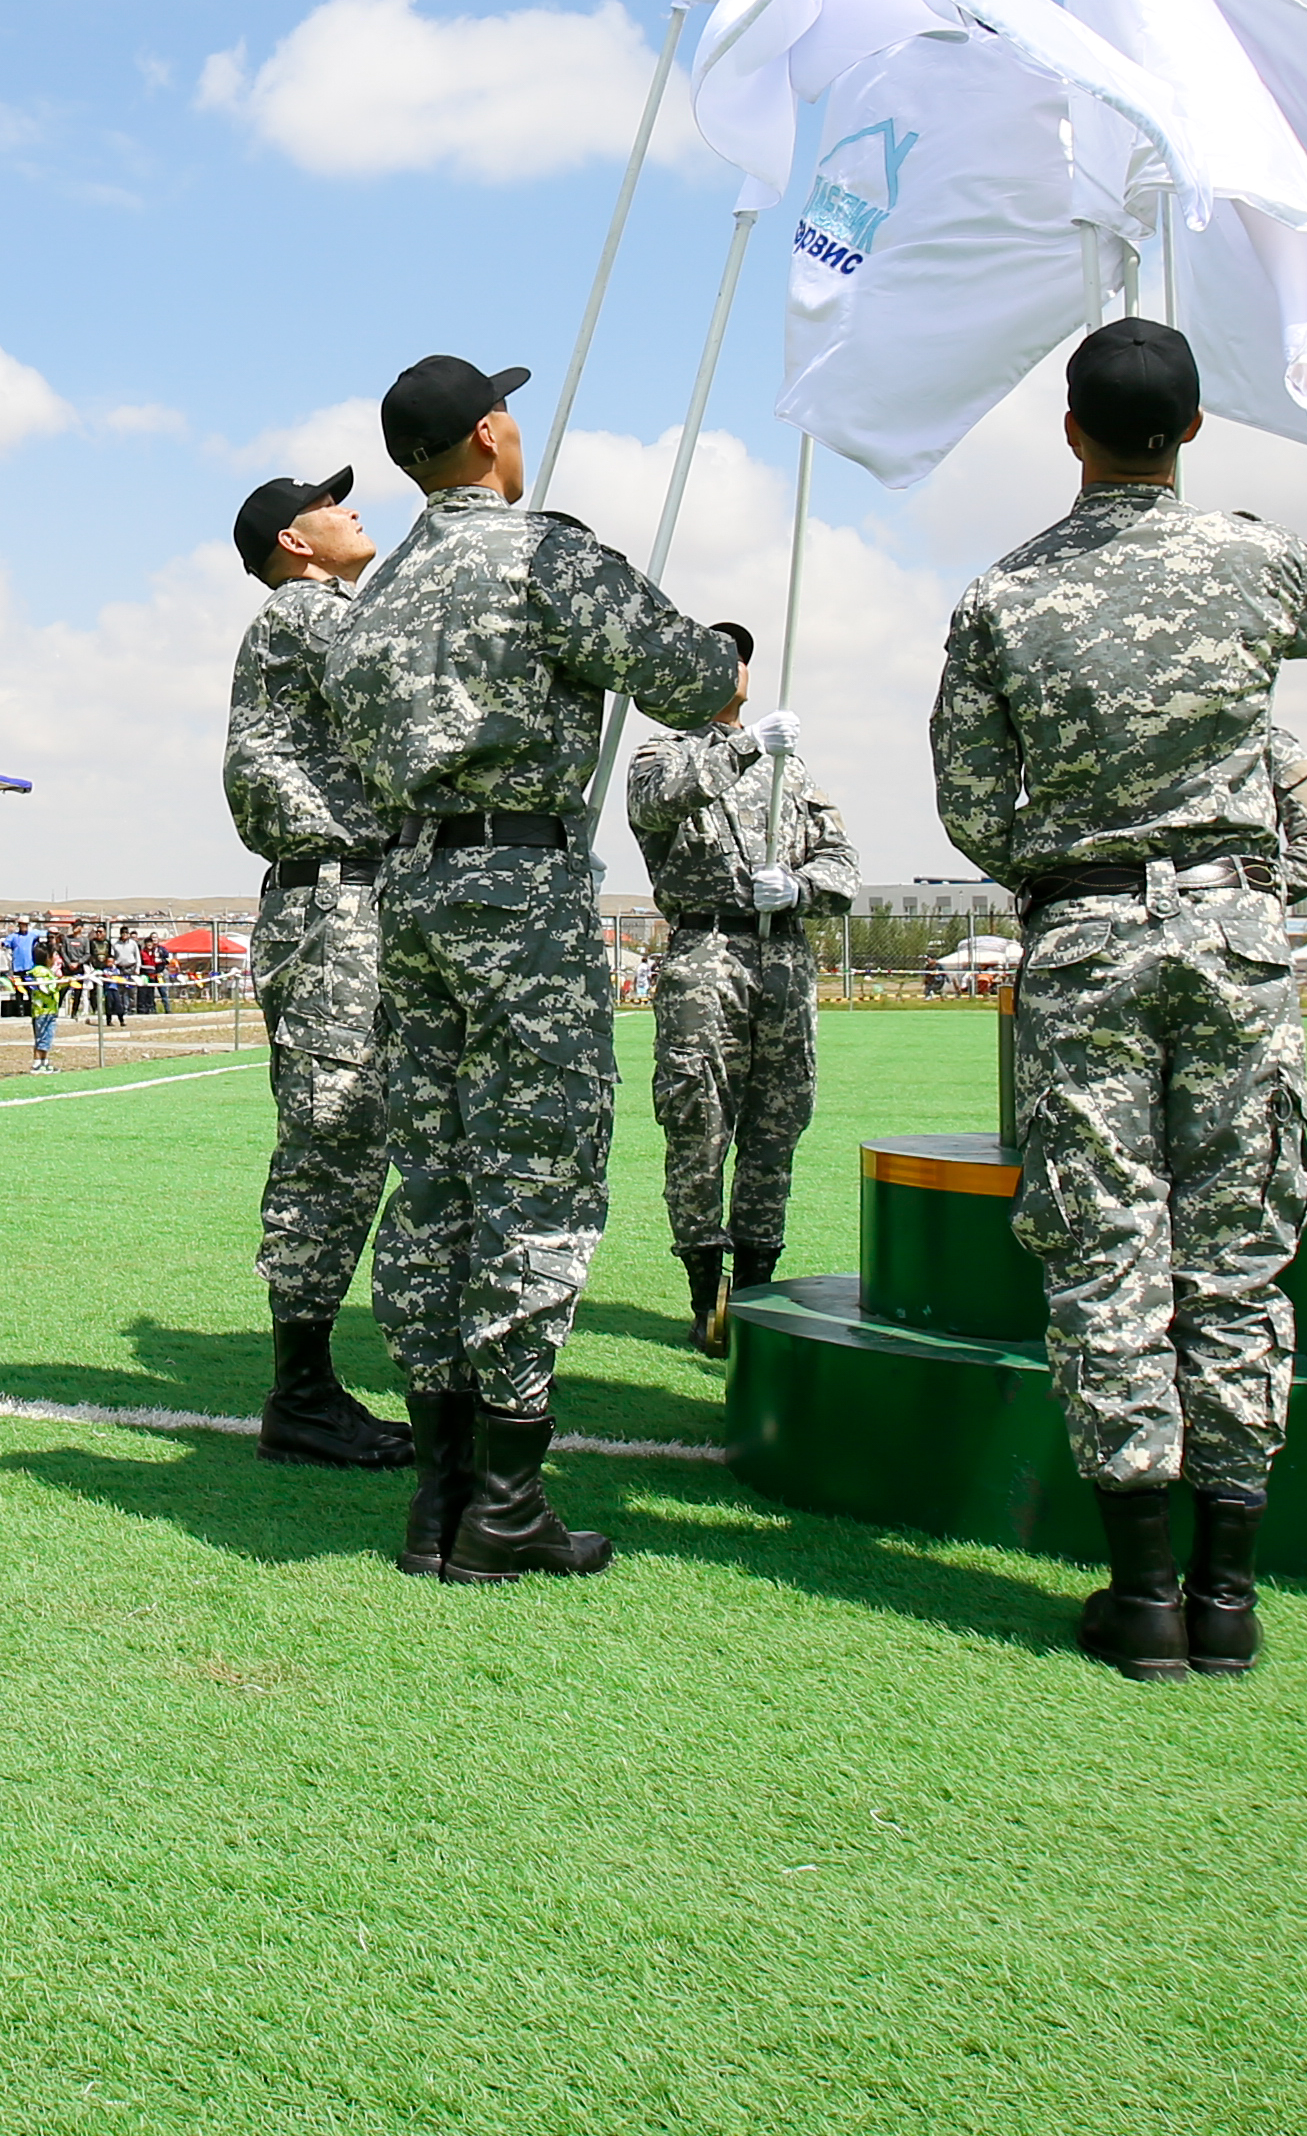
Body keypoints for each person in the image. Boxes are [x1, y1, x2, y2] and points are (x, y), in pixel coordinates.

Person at [927, 318, 1307, 1681]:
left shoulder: (1003, 593)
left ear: (1070, 433)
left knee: (1106, 1248)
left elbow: (967, 802)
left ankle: (1144, 1590)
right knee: (1236, 1247)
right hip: (1235, 931)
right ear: (1192, 431)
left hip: (1087, 933)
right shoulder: (1252, 555)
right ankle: (1229, 1596)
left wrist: (1066, 872)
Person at [325, 353, 741, 1582]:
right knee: (535, 1176)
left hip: (408, 891)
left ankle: (440, 1494)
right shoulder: (540, 553)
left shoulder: (380, 592)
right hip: (519, 889)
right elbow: (703, 684)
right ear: (493, 435)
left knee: (437, 1178)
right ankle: (505, 1501)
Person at [219, 464, 419, 1474]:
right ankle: (300, 1394)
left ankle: (320, 1378)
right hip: (332, 899)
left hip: (364, 895)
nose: (354, 512)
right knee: (332, 1132)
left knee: (363, 1131)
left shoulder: (325, 609)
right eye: (333, 506)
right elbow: (419, 669)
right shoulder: (308, 612)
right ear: (296, 543)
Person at [624, 619, 857, 1353]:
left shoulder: (792, 768)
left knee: (776, 1122)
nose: (736, 668)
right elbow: (657, 805)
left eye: (743, 657)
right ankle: (704, 1289)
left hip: (782, 955)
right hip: (707, 951)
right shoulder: (664, 751)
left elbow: (843, 861)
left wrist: (801, 885)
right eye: (718, 656)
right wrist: (747, 744)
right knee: (698, 1118)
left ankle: (755, 1290)